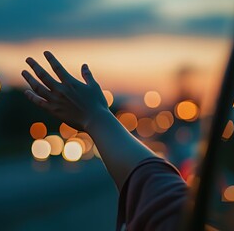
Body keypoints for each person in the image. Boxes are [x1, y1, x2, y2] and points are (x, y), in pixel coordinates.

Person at [21, 51, 188, 231]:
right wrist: (95, 114)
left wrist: (94, 115)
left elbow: (165, 203)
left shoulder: (183, 217)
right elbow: (160, 192)